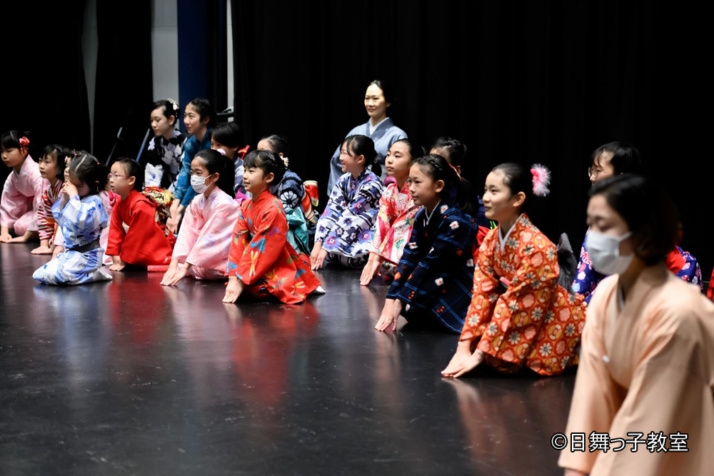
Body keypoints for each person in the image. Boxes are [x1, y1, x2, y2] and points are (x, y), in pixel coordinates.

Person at [558, 174, 714, 476]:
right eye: (591, 224)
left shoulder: (680, 315)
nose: (593, 237)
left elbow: (648, 428)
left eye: (603, 226)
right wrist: (577, 469)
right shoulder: (605, 294)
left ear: (643, 234)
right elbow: (593, 396)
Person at [441, 163, 585, 378]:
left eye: (494, 191)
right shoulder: (491, 239)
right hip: (511, 309)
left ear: (518, 199)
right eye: (486, 190)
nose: (486, 197)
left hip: (546, 317)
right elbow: (482, 293)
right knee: (492, 355)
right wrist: (463, 348)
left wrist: (478, 354)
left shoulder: (538, 247)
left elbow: (519, 302)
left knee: (512, 362)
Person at [573, 142, 701, 302]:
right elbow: (585, 276)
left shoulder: (643, 216)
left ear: (620, 176)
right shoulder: (599, 220)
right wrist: (574, 308)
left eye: (598, 171)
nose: (592, 177)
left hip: (668, 279)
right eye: (590, 171)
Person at [375, 154, 479, 333]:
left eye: (417, 182)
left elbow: (432, 264)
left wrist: (400, 300)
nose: (411, 189)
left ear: (438, 186)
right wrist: (391, 298)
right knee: (410, 306)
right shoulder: (422, 216)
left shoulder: (457, 222)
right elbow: (410, 255)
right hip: (433, 277)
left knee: (411, 305)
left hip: (453, 284)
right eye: (410, 182)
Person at [223, 150, 322, 305]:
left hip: (274, 259)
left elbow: (265, 246)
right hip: (253, 261)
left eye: (252, 171)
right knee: (242, 287)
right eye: (245, 170)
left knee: (262, 289)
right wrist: (233, 277)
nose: (245, 176)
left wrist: (241, 280)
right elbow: (238, 240)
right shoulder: (246, 205)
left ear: (269, 177)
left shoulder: (274, 207)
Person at [32, 152, 113, 285]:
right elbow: (60, 218)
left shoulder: (95, 201)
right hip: (71, 253)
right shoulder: (76, 200)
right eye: (71, 183)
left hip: (88, 256)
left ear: (94, 184)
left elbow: (80, 221)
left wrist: (74, 196)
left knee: (61, 276)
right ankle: (86, 273)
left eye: (78, 186)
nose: (73, 188)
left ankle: (94, 275)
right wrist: (65, 197)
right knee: (41, 274)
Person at [161, 149, 239, 285]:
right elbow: (186, 233)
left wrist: (184, 268)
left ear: (214, 177)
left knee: (204, 270)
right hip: (197, 260)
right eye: (192, 173)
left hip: (219, 261)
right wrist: (174, 266)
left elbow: (210, 239)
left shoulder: (226, 204)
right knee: (183, 267)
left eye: (198, 173)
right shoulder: (197, 201)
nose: (193, 177)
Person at [312, 135, 384, 269]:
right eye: (341, 153)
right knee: (330, 252)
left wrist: (327, 247)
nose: (340, 158)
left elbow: (351, 218)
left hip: (363, 231)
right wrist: (318, 244)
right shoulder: (344, 180)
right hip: (345, 234)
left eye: (345, 153)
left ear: (360, 159)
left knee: (353, 256)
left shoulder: (373, 185)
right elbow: (331, 211)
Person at [360, 139, 423, 285]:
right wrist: (372, 259)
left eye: (397, 156)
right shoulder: (389, 191)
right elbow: (382, 224)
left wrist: (378, 258)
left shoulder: (418, 192)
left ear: (413, 161)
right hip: (396, 249)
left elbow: (402, 227)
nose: (389, 160)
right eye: (388, 155)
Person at [327, 80, 407, 193]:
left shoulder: (397, 135)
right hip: (351, 193)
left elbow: (402, 169)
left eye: (375, 98)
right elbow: (337, 162)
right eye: (367, 98)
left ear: (388, 102)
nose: (370, 103)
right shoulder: (355, 131)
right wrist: (338, 193)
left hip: (382, 194)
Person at [106, 158, 173, 270]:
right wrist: (115, 255)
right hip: (140, 249)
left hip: (157, 248)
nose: (111, 180)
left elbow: (136, 237)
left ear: (131, 180)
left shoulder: (141, 205)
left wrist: (123, 261)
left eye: (116, 176)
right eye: (110, 176)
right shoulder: (120, 202)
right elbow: (115, 229)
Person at [167, 98, 215, 234]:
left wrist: (181, 207)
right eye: (185, 116)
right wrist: (176, 202)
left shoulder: (213, 141)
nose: (186, 121)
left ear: (205, 119)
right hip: (197, 190)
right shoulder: (191, 142)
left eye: (191, 116)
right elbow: (185, 172)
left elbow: (200, 179)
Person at [256, 134, 310, 254]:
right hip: (268, 225)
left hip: (291, 232)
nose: (257, 156)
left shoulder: (290, 181)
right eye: (257, 152)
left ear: (280, 156)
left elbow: (284, 216)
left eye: (263, 152)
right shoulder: (262, 177)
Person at [429, 136, 490, 230]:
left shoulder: (475, 206)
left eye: (436, 164)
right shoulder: (424, 193)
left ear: (456, 170)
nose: (428, 168)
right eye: (428, 161)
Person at [0, 130, 45, 243]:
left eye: (9, 151)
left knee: (21, 227)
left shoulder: (36, 173)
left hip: (47, 211)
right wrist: (4, 233)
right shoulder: (12, 177)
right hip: (33, 212)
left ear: (23, 150)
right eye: (2, 151)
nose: (4, 156)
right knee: (19, 226)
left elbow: (42, 204)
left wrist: (26, 236)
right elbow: (8, 203)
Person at [32, 145, 70, 255]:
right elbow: (44, 216)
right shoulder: (49, 191)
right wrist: (44, 245)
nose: (41, 166)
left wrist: (54, 245)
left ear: (59, 166)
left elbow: (64, 219)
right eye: (40, 161)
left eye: (47, 162)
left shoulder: (65, 189)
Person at [144, 99, 186, 189]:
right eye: (151, 121)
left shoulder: (184, 141)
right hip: (162, 190)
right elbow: (151, 171)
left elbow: (185, 174)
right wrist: (153, 193)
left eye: (157, 120)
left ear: (171, 119)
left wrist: (170, 195)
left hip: (180, 190)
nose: (153, 125)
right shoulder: (154, 142)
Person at [210, 121, 248, 200]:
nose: (213, 149)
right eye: (212, 144)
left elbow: (241, 202)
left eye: (219, 145)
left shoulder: (241, 172)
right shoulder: (212, 166)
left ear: (234, 146)